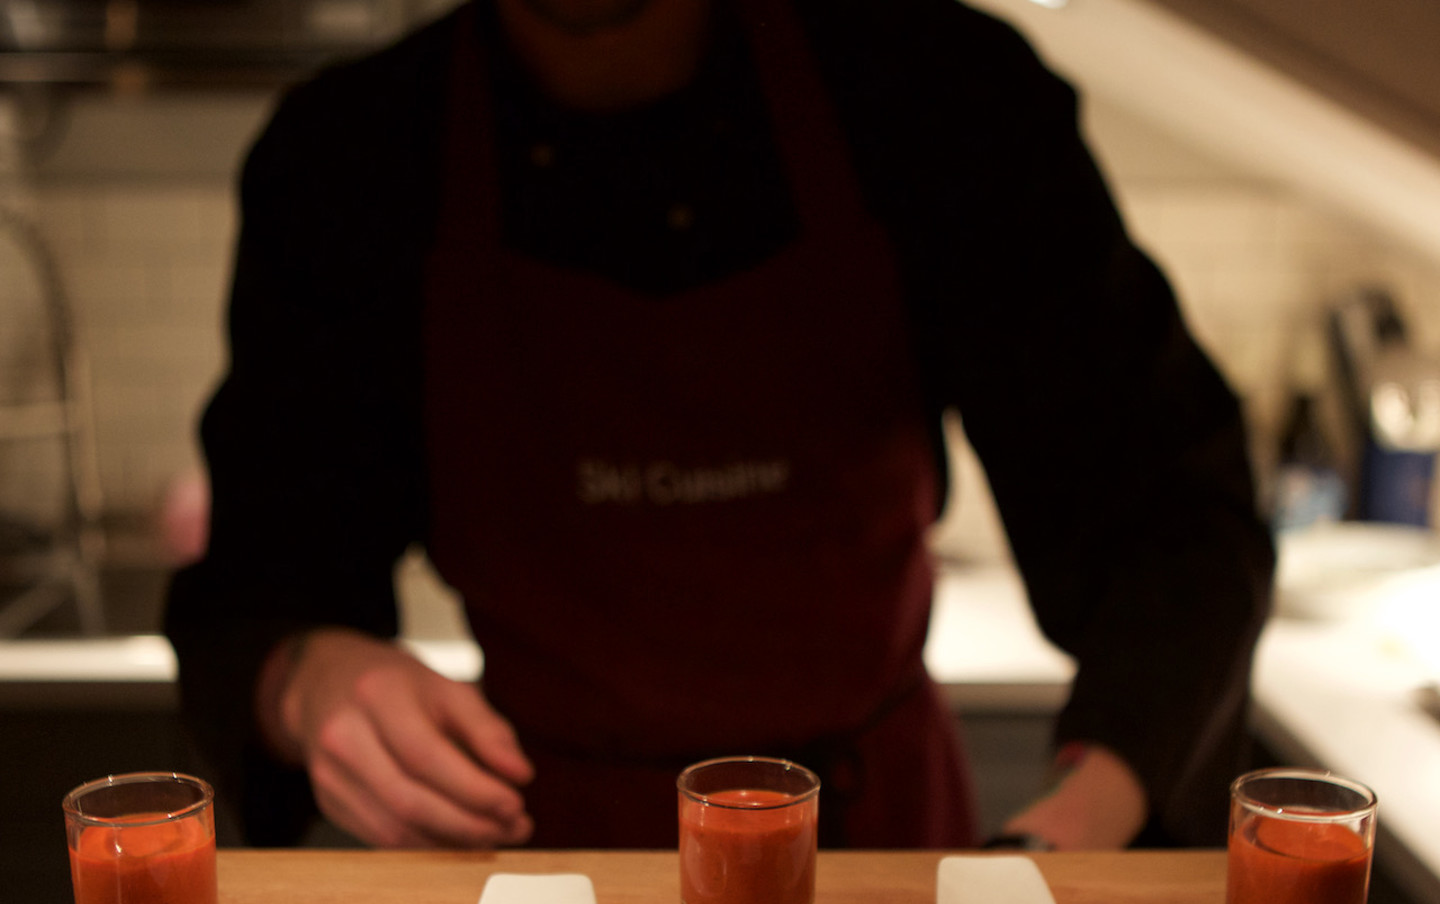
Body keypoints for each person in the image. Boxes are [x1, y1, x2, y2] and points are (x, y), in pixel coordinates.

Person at [165, 0, 1273, 853]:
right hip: (546, 860)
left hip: (875, 845)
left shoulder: (938, 94)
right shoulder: (350, 157)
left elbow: (1176, 522)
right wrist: (308, 679)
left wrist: (1081, 824)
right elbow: (261, 585)